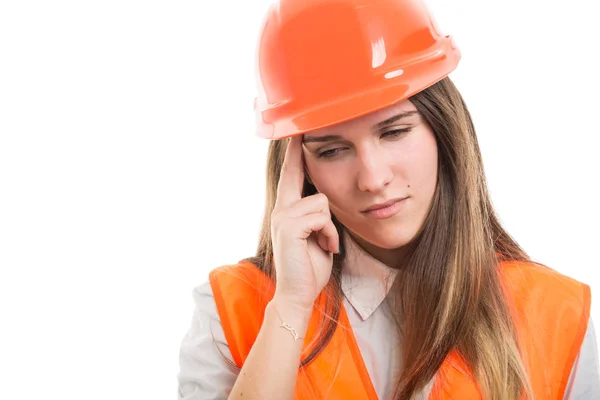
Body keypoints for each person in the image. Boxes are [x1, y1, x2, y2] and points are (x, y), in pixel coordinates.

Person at [177, 0, 600, 398]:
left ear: (444, 130)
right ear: (298, 168)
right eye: (331, 150)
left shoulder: (557, 313)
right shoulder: (232, 308)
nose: (373, 179)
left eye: (395, 132)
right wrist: (290, 305)